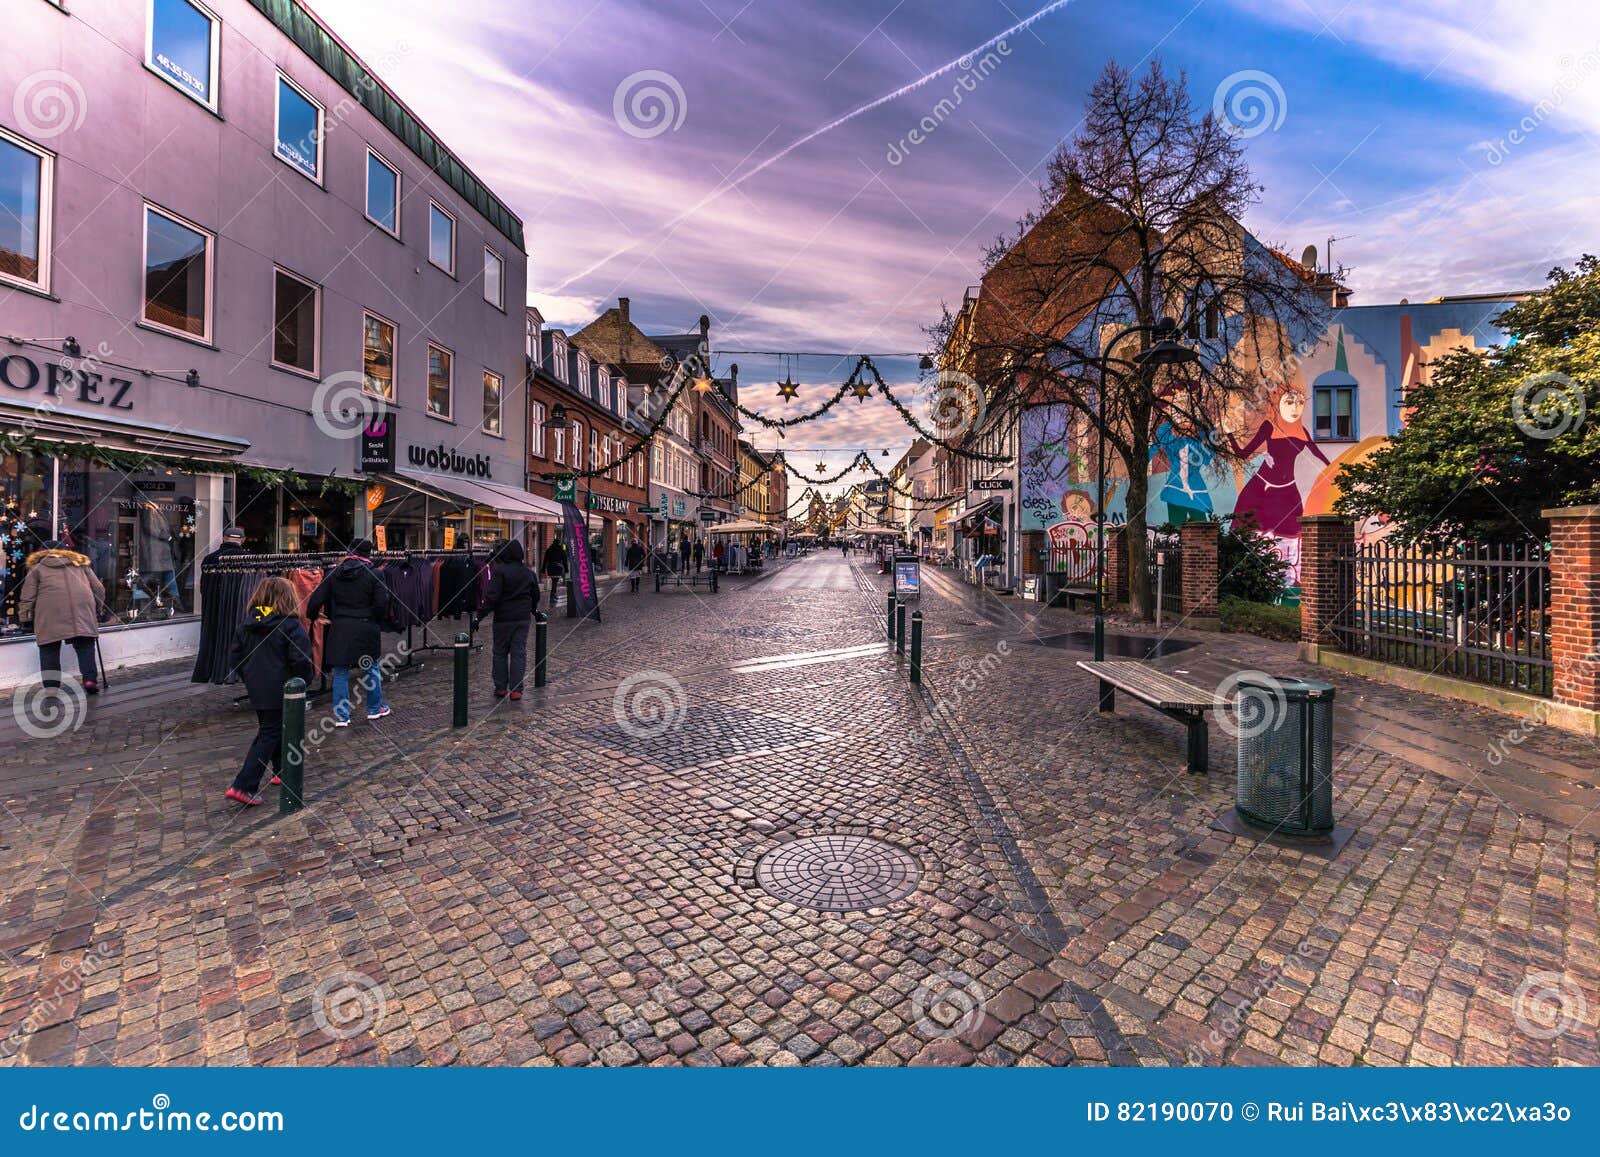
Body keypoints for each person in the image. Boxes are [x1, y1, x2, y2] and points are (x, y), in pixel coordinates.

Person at [224, 576, 313, 806]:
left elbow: (235, 657)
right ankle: (243, 784)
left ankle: (281, 771)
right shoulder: (290, 625)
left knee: (274, 729)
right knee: (269, 733)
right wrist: (302, 682)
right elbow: (301, 659)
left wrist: (251, 678)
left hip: (258, 688)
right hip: (282, 687)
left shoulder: (247, 624)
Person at [305, 539, 393, 725]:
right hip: (365, 625)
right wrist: (375, 620)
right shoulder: (375, 574)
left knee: (340, 671)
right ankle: (375, 709)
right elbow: (381, 604)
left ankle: (341, 716)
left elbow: (315, 600)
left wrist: (313, 617)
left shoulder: (333, 573)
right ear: (368, 554)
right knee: (371, 668)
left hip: (341, 626)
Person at [18, 541, 106, 694]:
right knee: (85, 643)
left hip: (50, 611)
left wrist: (25, 618)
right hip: (81, 609)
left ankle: (51, 687)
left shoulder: (38, 567)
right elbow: (98, 588)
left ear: (42, 552)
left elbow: (28, 596)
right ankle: (90, 680)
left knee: (49, 647)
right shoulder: (80, 564)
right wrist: (98, 608)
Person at [477, 540, 538, 701]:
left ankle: (501, 687)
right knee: (519, 653)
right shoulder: (528, 572)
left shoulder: (500, 571)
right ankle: (517, 690)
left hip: (503, 618)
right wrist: (533, 610)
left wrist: (480, 616)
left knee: (500, 652)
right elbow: (535, 595)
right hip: (522, 618)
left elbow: (492, 596)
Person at [542, 536, 568, 603]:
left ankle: (554, 595)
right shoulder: (561, 550)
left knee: (554, 582)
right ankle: (552, 596)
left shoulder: (549, 550)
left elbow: (545, 560)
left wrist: (543, 569)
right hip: (557, 568)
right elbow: (565, 560)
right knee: (555, 583)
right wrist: (566, 569)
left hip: (550, 568)